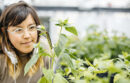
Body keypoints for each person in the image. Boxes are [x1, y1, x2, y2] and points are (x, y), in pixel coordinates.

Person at [0, 1, 50, 83]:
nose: (27, 35)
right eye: (18, 30)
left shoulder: (45, 50)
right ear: (5, 32)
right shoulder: (1, 59)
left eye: (31, 27)